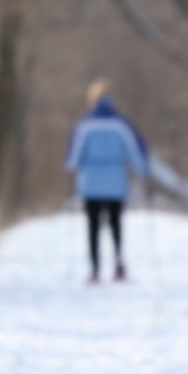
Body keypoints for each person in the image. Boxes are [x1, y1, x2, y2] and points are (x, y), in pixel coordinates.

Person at [65, 79, 149, 283]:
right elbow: (136, 153)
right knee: (115, 224)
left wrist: (74, 167)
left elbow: (73, 160)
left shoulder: (84, 126)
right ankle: (119, 265)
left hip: (90, 183)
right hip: (116, 182)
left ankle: (94, 269)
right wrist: (143, 170)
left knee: (92, 226)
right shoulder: (121, 125)